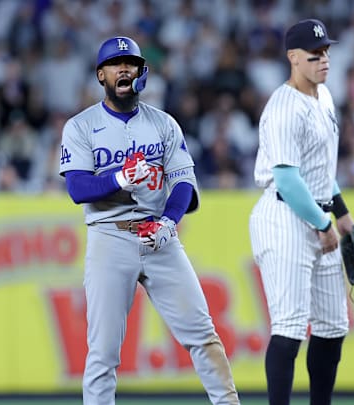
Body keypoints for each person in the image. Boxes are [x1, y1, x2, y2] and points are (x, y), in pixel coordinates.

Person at [59, 36, 240, 405]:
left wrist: (170, 222)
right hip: (109, 237)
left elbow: (184, 182)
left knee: (203, 335)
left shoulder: (163, 123)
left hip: (160, 237)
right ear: (101, 75)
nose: (124, 68)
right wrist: (119, 179)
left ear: (142, 72)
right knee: (103, 353)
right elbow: (77, 187)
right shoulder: (80, 126)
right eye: (115, 63)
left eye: (131, 62)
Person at [249, 19, 354, 405]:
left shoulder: (324, 95)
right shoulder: (283, 108)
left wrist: (342, 216)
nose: (324, 59)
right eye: (315, 55)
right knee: (290, 327)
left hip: (318, 214)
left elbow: (319, 171)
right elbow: (288, 180)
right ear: (293, 58)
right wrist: (323, 224)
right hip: (284, 218)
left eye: (327, 51)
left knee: (332, 326)